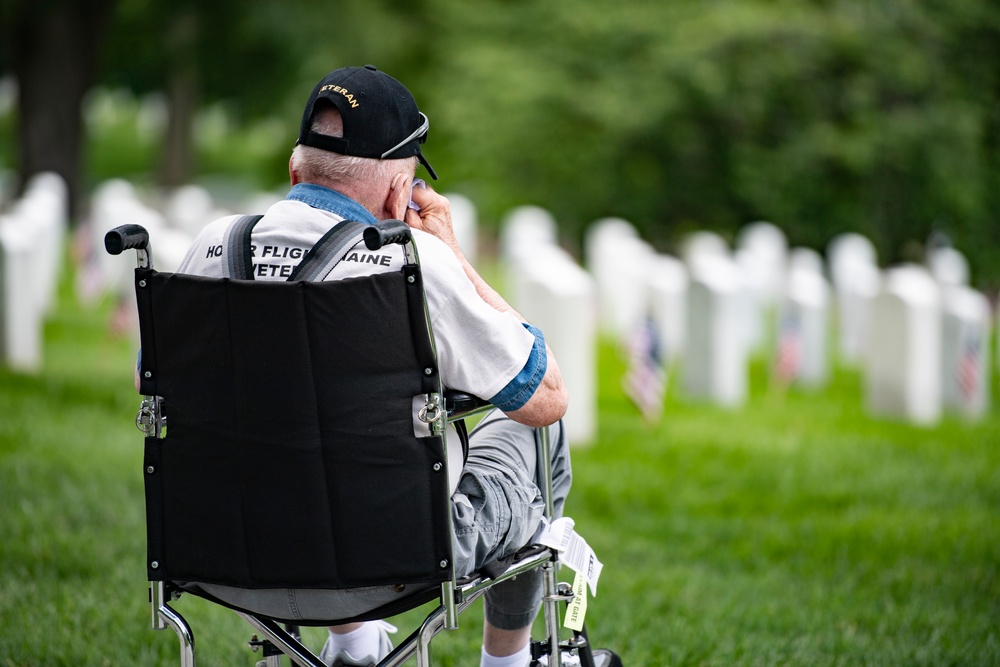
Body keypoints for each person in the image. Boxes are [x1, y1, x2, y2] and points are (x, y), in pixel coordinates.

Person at [172, 65, 587, 667]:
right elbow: (545, 393)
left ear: (295, 171)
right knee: (533, 428)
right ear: (399, 194)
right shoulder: (412, 261)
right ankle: (508, 661)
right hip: (398, 555)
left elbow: (151, 379)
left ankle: (353, 647)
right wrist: (453, 256)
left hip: (229, 541)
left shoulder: (212, 246)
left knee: (294, 443)